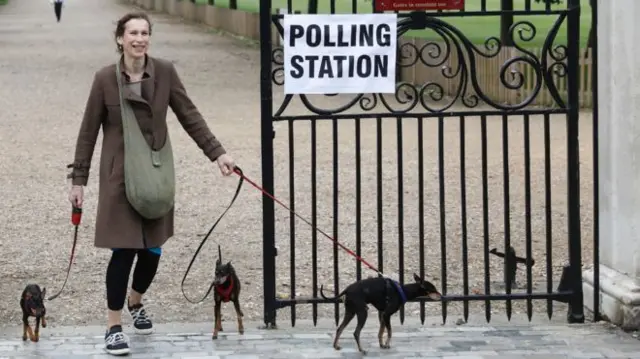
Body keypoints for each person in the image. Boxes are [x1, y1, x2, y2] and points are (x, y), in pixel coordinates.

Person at [66, 11, 237, 356]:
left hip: (157, 172)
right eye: (133, 33)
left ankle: (136, 300)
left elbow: (190, 115)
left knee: (153, 250)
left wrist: (217, 153)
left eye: (145, 33)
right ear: (120, 38)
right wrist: (78, 179)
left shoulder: (165, 73)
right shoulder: (104, 80)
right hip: (120, 177)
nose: (139, 39)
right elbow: (88, 132)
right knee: (124, 249)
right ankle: (113, 326)